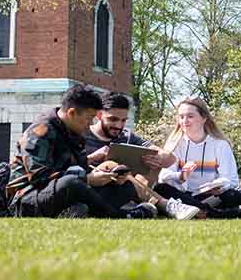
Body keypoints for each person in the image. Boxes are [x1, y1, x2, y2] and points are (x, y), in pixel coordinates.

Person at [10, 84, 158, 219]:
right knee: (71, 183)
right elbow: (39, 177)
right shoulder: (40, 132)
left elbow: (79, 168)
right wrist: (87, 179)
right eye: (89, 118)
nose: (91, 124)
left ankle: (77, 211)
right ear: (72, 113)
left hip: (67, 192)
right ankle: (123, 215)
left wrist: (107, 175)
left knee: (125, 187)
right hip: (27, 198)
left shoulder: (75, 131)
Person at [83, 91, 200, 220]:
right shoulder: (83, 134)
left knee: (151, 160)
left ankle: (137, 204)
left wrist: (158, 158)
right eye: (113, 119)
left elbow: (169, 159)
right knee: (112, 165)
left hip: (125, 189)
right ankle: (164, 204)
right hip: (95, 190)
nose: (119, 126)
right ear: (99, 115)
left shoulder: (126, 136)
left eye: (123, 120)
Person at [155, 96, 241, 218]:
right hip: (184, 197)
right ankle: (212, 213)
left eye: (190, 116)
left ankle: (200, 211)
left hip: (211, 197)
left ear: (204, 118)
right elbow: (163, 177)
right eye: (181, 117)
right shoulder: (175, 144)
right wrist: (180, 176)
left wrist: (219, 186)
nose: (184, 121)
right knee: (160, 189)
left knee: (232, 195)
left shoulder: (220, 145)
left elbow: (231, 180)